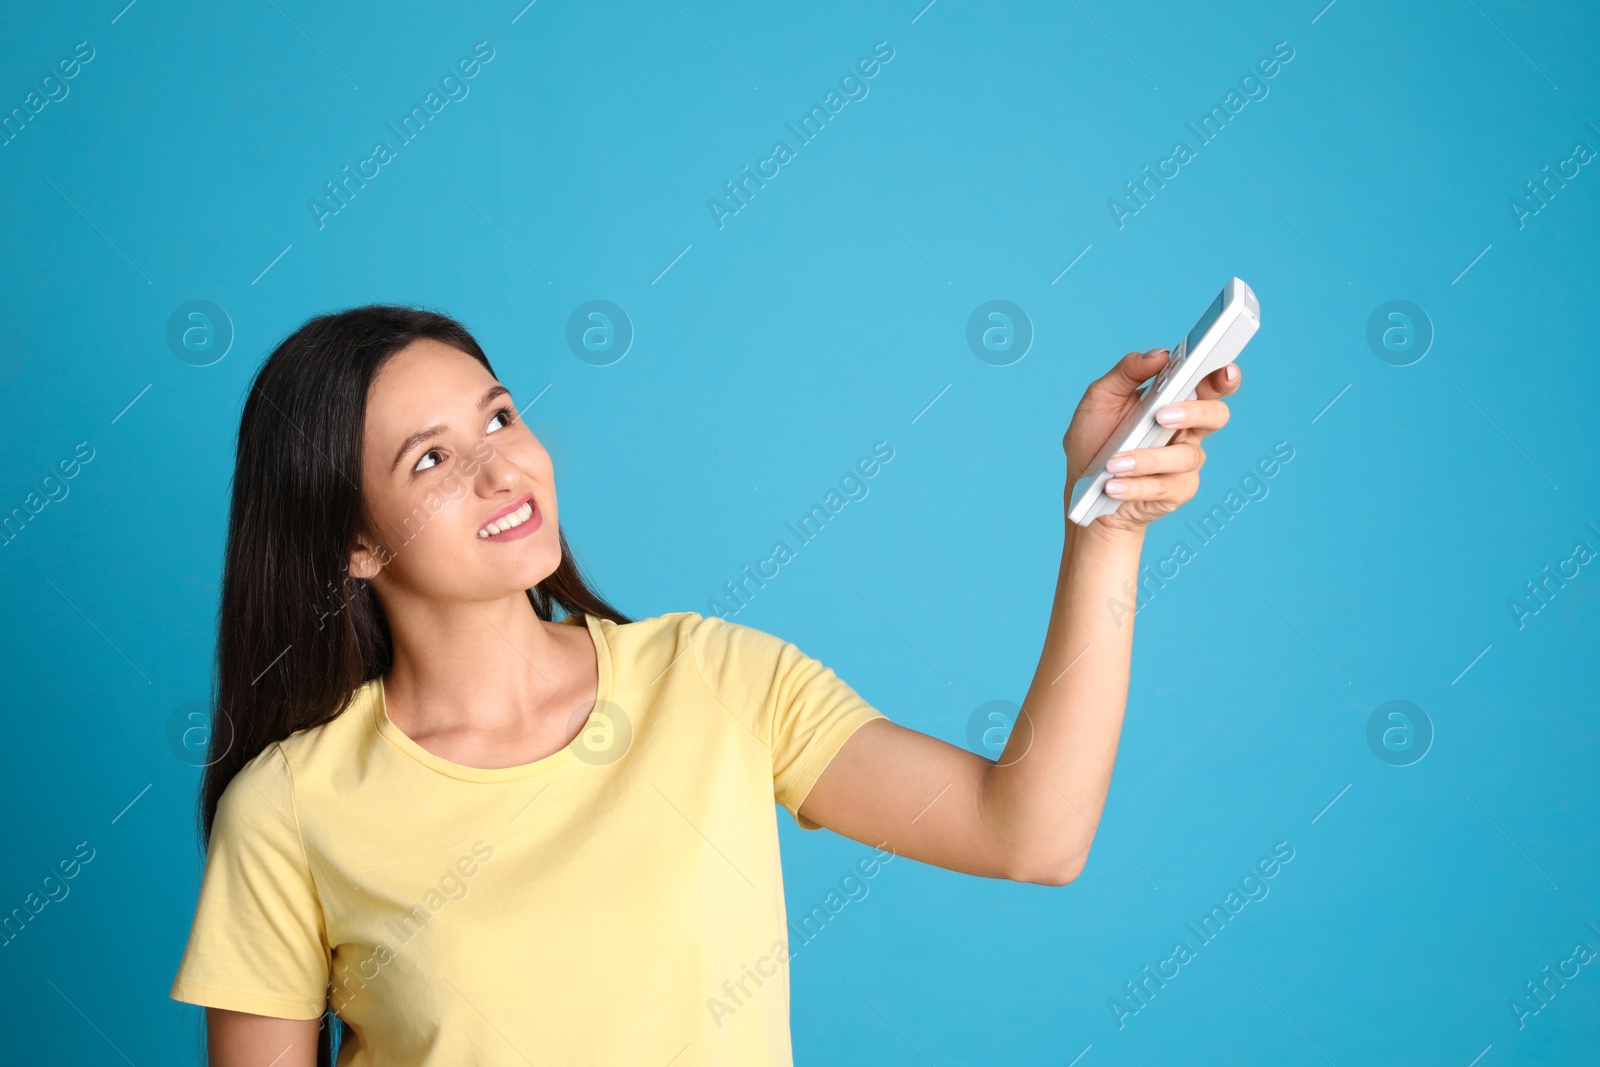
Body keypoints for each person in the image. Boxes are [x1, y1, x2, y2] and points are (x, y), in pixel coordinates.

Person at [168, 304, 1240, 1066]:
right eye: (429, 461)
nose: (502, 469)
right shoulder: (292, 810)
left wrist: (1105, 526)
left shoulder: (715, 680)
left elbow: (1032, 832)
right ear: (352, 543)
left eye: (498, 418)